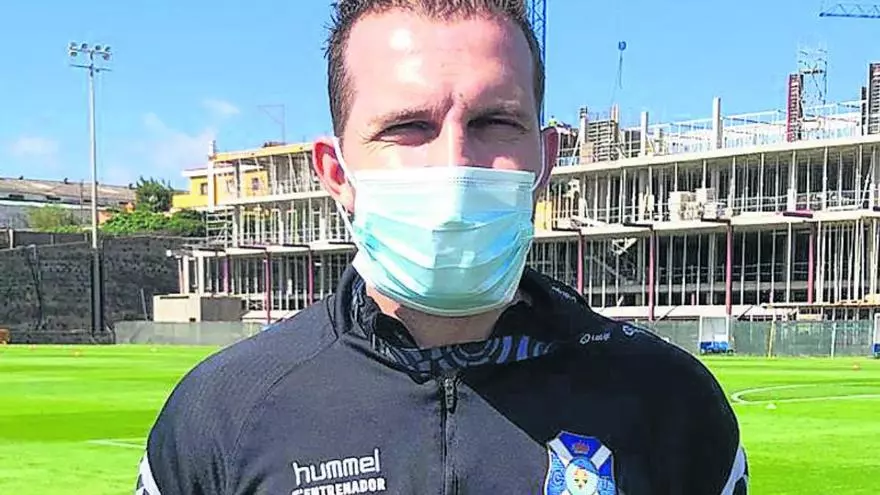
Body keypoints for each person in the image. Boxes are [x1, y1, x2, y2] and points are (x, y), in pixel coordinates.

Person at [136, 1, 749, 494]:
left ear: (545, 161)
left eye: (494, 122)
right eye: (408, 127)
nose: (454, 165)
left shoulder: (671, 401)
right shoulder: (223, 412)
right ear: (337, 172)